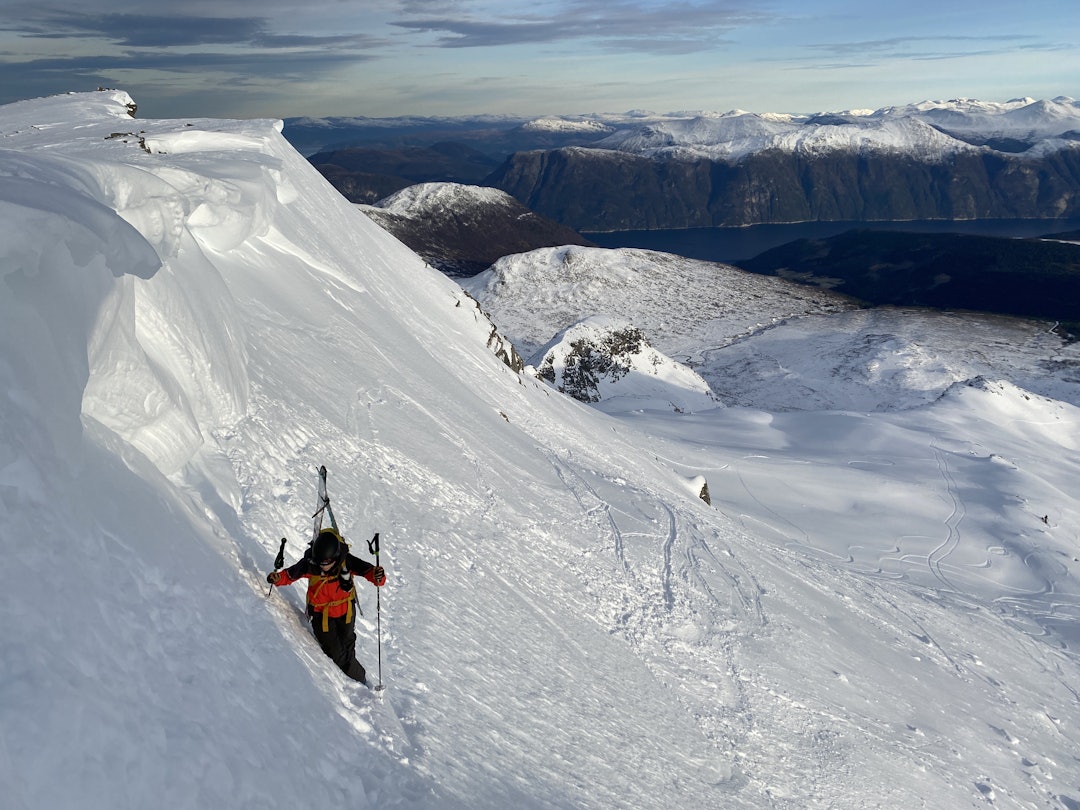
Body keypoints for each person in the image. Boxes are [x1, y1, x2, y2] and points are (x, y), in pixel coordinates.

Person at [267, 526, 385, 683]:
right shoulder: (310, 564)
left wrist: (378, 575)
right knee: (336, 654)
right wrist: (276, 578)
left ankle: (356, 679)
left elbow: (370, 573)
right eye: (320, 562)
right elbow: (290, 575)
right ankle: (359, 680)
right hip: (322, 616)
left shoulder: (346, 561)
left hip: (346, 611)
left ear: (335, 556)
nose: (323, 566)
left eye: (327, 563)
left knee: (348, 645)